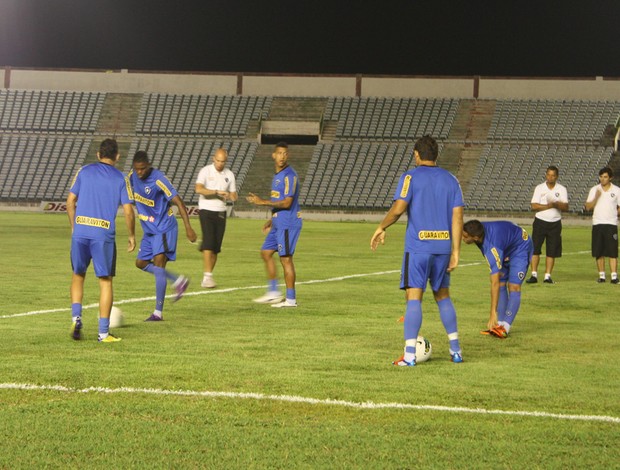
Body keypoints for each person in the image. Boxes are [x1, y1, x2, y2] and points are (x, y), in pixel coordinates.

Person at [370, 135, 464, 366]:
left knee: (414, 297)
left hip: (418, 247)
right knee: (443, 296)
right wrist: (455, 251)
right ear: (436, 155)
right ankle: (456, 351)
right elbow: (458, 216)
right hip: (442, 246)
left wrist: (382, 226)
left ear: (416, 154)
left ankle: (410, 355)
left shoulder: (409, 177)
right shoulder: (452, 180)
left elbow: (399, 208)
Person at [67, 138, 136, 343]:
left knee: (78, 275)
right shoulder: (121, 178)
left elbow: (70, 202)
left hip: (81, 231)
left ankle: (76, 318)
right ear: (117, 156)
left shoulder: (84, 171)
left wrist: (74, 227)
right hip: (102, 233)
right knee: (105, 281)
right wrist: (132, 235)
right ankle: (103, 333)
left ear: (98, 154)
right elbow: (128, 211)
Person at [129, 151, 197, 321]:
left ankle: (157, 313)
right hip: (149, 230)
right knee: (141, 263)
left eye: (143, 169)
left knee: (159, 266)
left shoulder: (159, 179)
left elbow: (179, 201)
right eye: (137, 169)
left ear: (149, 165)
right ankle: (178, 280)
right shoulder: (131, 177)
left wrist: (188, 227)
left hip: (164, 228)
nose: (140, 172)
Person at [246, 142, 302, 308]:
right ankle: (273, 293)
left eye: (285, 153)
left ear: (288, 156)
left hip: (287, 223)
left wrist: (261, 202)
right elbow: (279, 202)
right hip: (278, 221)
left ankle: (291, 299)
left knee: (285, 259)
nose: (282, 156)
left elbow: (287, 202)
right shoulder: (277, 176)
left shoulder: (289, 176)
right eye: (279, 153)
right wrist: (272, 218)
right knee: (265, 253)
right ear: (274, 155)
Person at [462, 220, 533, 339]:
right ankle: (498, 325)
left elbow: (493, 282)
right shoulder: (478, 230)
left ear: (475, 237)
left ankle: (505, 327)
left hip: (520, 247)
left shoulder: (492, 246)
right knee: (501, 283)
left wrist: (492, 313)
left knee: (513, 286)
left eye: (465, 236)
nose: (462, 238)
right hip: (505, 246)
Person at [195, 148, 238, 288]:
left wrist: (230, 196)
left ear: (226, 161)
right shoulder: (205, 171)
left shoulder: (229, 175)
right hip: (206, 209)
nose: (220, 163)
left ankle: (207, 277)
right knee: (208, 242)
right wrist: (216, 192)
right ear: (214, 159)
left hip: (221, 211)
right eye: (218, 160)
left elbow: (234, 195)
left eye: (223, 161)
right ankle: (208, 276)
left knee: (216, 247)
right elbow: (198, 189)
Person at [526, 165, 569, 284]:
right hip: (540, 222)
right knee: (535, 249)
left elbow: (566, 207)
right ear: (546, 175)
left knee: (552, 251)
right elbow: (534, 206)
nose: (550, 177)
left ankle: (547, 276)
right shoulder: (540, 188)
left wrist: (556, 204)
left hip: (555, 223)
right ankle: (534, 275)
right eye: (548, 175)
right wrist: (548, 206)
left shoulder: (561, 189)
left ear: (557, 176)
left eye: (553, 175)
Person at [584, 167, 620, 283]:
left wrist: (614, 213)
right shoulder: (594, 189)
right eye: (601, 177)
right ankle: (602, 276)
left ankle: (614, 276)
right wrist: (596, 197)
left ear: (610, 178)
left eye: (605, 177)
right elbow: (588, 207)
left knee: (612, 251)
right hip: (598, 223)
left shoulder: (617, 190)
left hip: (611, 224)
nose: (602, 179)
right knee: (599, 251)